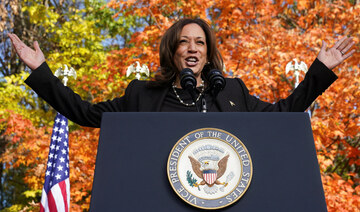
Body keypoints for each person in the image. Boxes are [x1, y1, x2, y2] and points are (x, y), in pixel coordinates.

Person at [8, 18, 356, 128]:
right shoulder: (141, 95)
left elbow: (284, 113)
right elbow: (83, 113)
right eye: (184, 42)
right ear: (172, 51)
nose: (193, 48)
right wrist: (42, 72)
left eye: (200, 43)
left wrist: (320, 70)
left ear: (208, 53)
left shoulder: (232, 92)